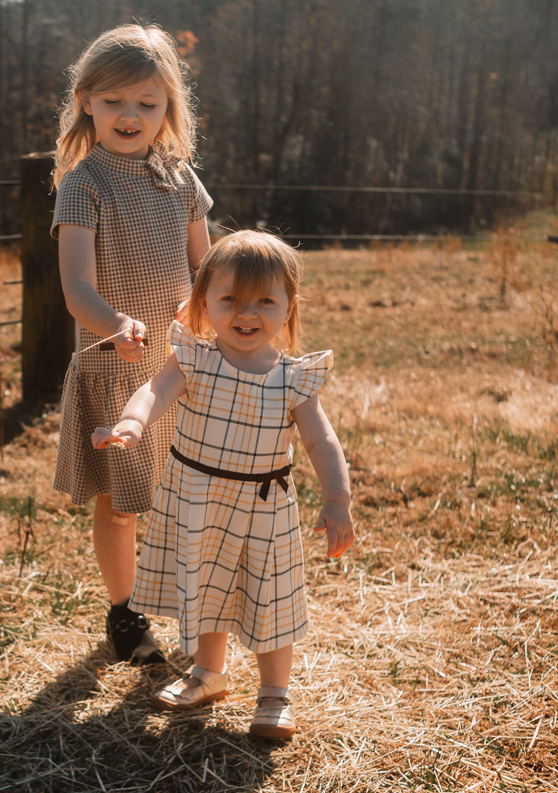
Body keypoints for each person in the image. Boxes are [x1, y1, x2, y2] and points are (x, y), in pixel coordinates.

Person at [91, 231, 355, 739]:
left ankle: (274, 695)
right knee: (205, 586)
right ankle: (207, 673)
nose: (245, 312)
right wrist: (131, 424)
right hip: (198, 499)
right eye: (229, 298)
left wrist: (338, 499)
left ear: (288, 308)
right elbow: (154, 390)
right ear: (203, 301)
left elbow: (322, 442)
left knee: (269, 599)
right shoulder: (196, 358)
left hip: (264, 507)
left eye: (264, 300)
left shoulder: (293, 379)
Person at [52, 24, 212, 665]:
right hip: (117, 367)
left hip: (183, 367)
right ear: (88, 100)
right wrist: (116, 324)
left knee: (188, 498)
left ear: (167, 109)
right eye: (116, 101)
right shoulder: (83, 185)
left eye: (147, 104)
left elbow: (207, 269)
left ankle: (196, 608)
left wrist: (197, 308)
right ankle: (125, 613)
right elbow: (75, 289)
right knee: (124, 507)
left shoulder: (181, 179)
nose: (130, 115)